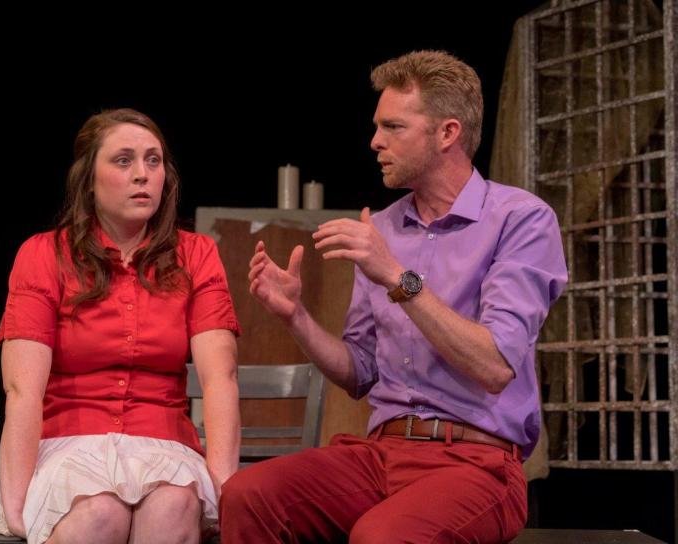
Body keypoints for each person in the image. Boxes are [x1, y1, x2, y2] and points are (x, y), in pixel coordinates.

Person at [220, 50, 568, 543]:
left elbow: (494, 367)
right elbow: (360, 372)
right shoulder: (384, 227)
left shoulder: (520, 219)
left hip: (477, 461)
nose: (375, 141)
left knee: (382, 536)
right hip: (381, 452)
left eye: (394, 127)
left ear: (447, 133)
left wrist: (394, 276)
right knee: (248, 495)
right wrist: (295, 317)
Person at [0, 108, 241, 544]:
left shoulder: (197, 255)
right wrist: (14, 503)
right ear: (89, 179)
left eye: (153, 160)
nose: (143, 174)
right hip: (71, 444)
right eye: (124, 161)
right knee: (98, 511)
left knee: (174, 505)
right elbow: (22, 389)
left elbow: (220, 379)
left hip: (165, 446)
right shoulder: (43, 255)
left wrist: (222, 491)